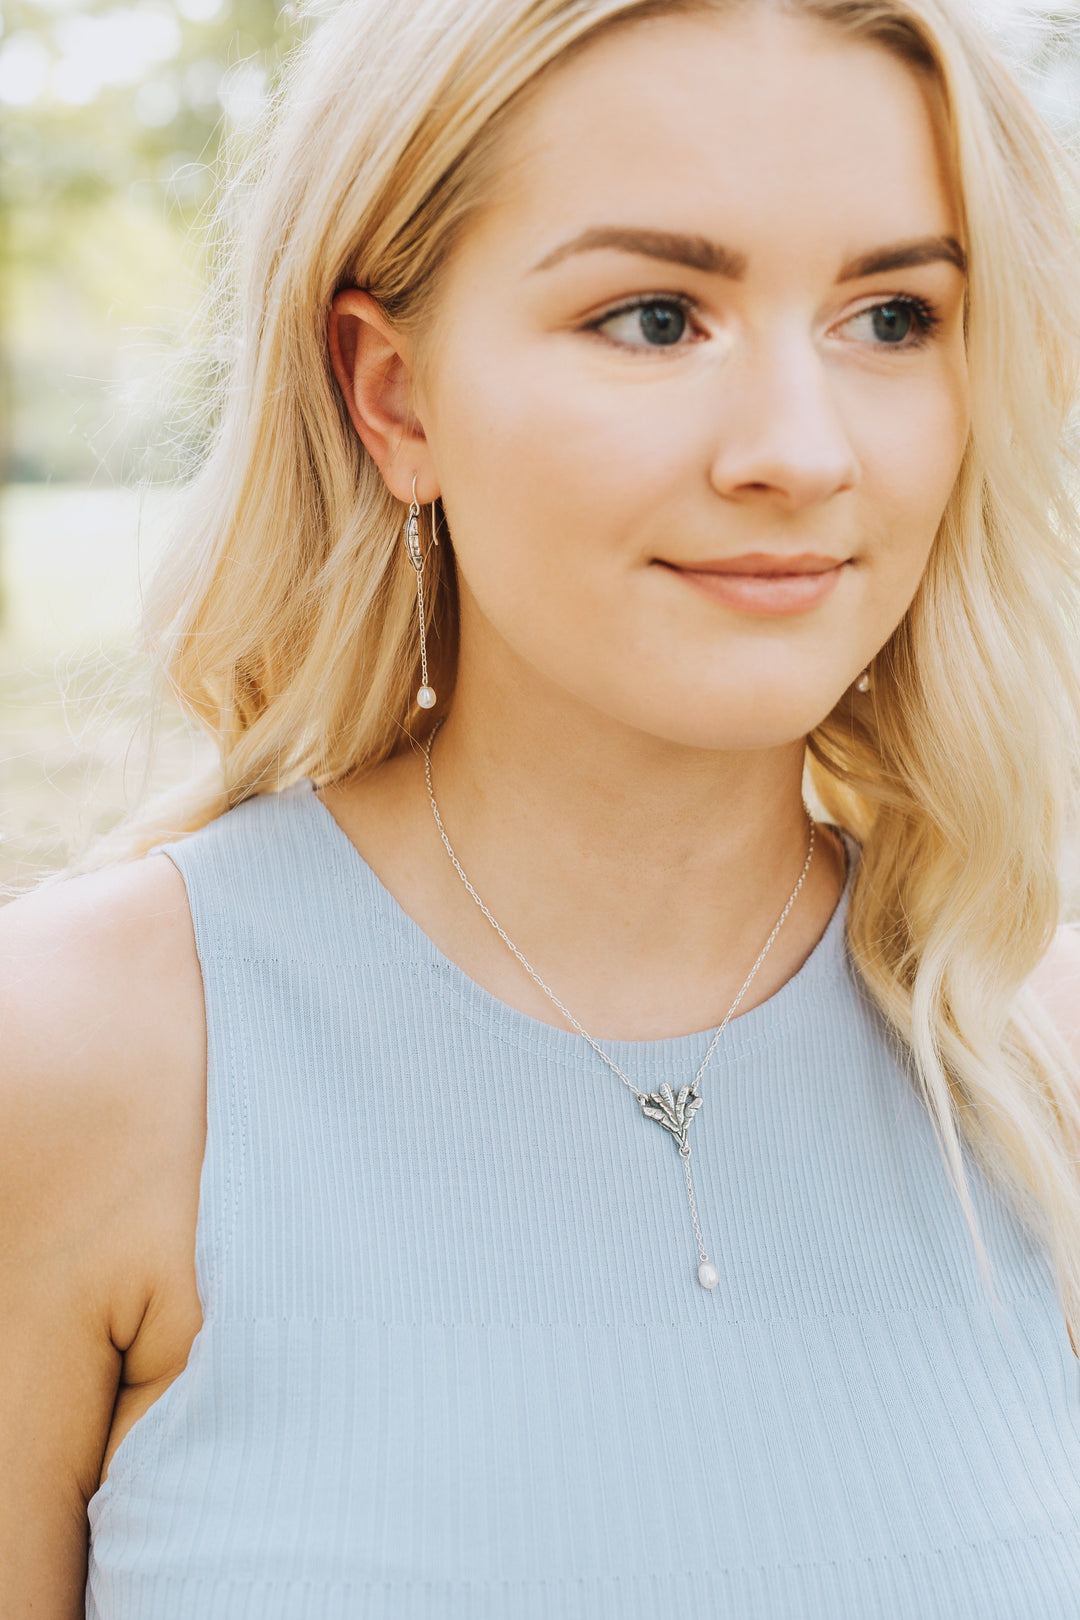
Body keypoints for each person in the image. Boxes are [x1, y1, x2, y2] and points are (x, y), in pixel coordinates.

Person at [4, 0, 1080, 1612]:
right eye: (657, 317)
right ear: (395, 398)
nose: (801, 449)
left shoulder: (1032, 1055)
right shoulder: (89, 1058)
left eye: (892, 316)